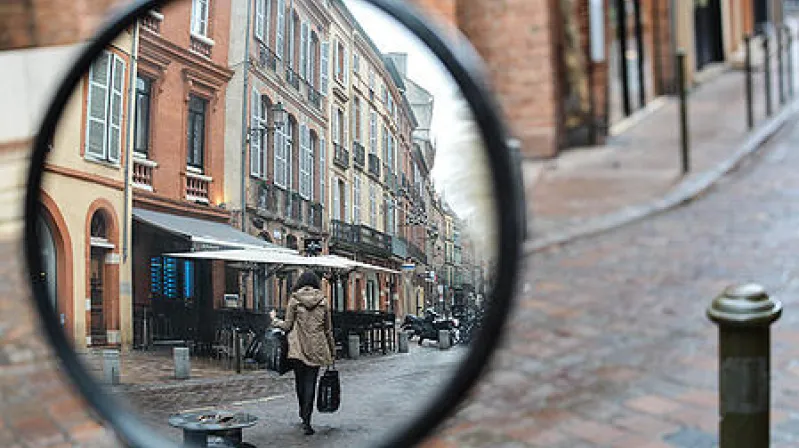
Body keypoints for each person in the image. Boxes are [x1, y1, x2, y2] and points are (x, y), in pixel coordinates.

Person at [269, 270, 335, 435]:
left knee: (300, 382)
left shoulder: (294, 300)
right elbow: (328, 330)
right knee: (311, 383)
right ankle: (307, 419)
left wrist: (274, 319)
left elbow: (287, 326)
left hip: (297, 348)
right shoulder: (324, 302)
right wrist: (332, 352)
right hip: (317, 348)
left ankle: (302, 413)